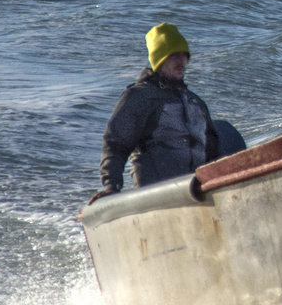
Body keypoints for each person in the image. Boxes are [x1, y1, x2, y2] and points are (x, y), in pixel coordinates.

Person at [89, 23, 219, 205]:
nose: (181, 61)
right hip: (156, 200)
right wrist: (111, 187)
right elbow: (115, 144)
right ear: (159, 59)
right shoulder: (139, 97)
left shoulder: (195, 102)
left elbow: (213, 152)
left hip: (197, 195)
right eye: (174, 55)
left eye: (184, 55)